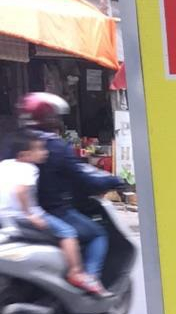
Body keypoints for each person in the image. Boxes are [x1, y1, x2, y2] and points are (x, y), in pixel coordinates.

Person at [19, 91, 120, 294]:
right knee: (97, 234)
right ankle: (89, 278)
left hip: (16, 213)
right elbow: (82, 178)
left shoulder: (15, 142)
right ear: (49, 117)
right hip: (53, 211)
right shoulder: (55, 146)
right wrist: (114, 181)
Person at [0, 125, 105, 294]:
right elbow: (20, 190)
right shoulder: (29, 168)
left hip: (5, 217)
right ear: (24, 155)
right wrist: (29, 214)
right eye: (39, 149)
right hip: (25, 216)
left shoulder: (5, 165)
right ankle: (76, 272)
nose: (45, 152)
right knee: (68, 232)